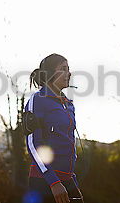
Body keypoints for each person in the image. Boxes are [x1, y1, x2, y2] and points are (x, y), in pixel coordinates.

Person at [23, 53, 84, 203]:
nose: (68, 73)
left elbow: (68, 143)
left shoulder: (68, 104)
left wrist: (72, 182)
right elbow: (32, 143)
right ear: (50, 73)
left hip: (68, 180)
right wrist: (54, 182)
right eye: (63, 68)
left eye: (68, 69)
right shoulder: (38, 100)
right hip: (44, 181)